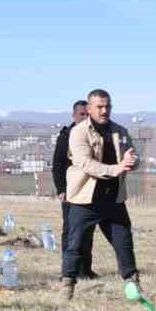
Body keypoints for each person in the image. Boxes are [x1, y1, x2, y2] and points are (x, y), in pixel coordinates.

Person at [61, 89, 139, 296]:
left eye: (108, 106)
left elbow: (132, 156)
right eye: (100, 107)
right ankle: (67, 287)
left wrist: (133, 161)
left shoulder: (120, 131)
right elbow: (85, 163)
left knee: (124, 245)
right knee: (75, 245)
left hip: (113, 200)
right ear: (89, 109)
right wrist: (117, 169)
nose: (105, 111)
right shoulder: (78, 132)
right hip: (85, 199)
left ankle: (134, 288)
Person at [51, 99, 96, 278]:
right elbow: (58, 164)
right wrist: (61, 189)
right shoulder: (66, 135)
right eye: (81, 115)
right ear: (74, 116)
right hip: (70, 191)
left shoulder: (94, 135)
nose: (85, 118)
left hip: (90, 190)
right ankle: (69, 271)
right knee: (70, 231)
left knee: (88, 231)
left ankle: (86, 269)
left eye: (87, 115)